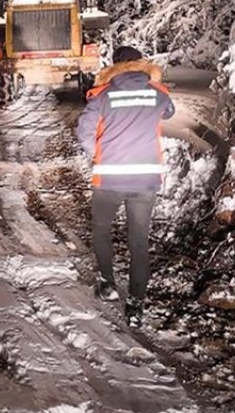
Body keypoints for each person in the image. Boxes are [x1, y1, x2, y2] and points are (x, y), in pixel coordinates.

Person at [75, 46, 174, 328]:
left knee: (101, 230)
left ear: (114, 67)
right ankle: (135, 307)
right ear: (141, 65)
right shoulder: (159, 94)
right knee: (139, 243)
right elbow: (168, 112)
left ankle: (107, 282)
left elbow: (83, 132)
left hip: (110, 177)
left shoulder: (102, 95)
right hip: (145, 179)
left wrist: (97, 154)